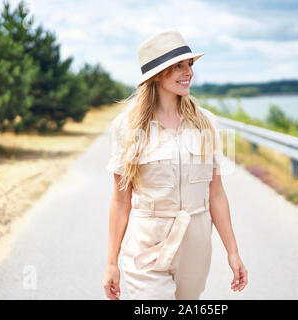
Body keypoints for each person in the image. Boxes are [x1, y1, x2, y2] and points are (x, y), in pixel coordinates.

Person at [103, 30, 248, 300]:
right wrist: (112, 262)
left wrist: (233, 252)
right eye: (178, 66)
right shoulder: (126, 127)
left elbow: (215, 193)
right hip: (147, 247)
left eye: (189, 64)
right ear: (157, 74)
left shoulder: (207, 123)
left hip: (196, 246)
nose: (189, 72)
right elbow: (121, 201)